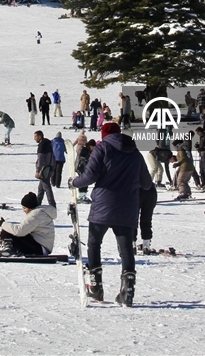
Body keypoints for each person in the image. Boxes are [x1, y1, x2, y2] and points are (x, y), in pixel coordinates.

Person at [72, 123, 152, 307]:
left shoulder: (103, 149)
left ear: (104, 134)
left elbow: (90, 176)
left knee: (94, 243)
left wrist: (74, 182)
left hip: (103, 205)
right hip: (127, 207)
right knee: (125, 249)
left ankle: (95, 286)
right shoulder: (135, 152)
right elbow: (146, 183)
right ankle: (127, 292)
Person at [33, 131, 57, 207]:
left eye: (35, 137)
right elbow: (53, 157)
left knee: (47, 187)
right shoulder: (49, 144)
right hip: (49, 168)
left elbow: (40, 160)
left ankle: (52, 204)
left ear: (40, 136)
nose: (34, 139)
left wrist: (38, 171)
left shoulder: (41, 146)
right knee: (41, 188)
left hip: (43, 170)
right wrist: (52, 169)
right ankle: (38, 202)